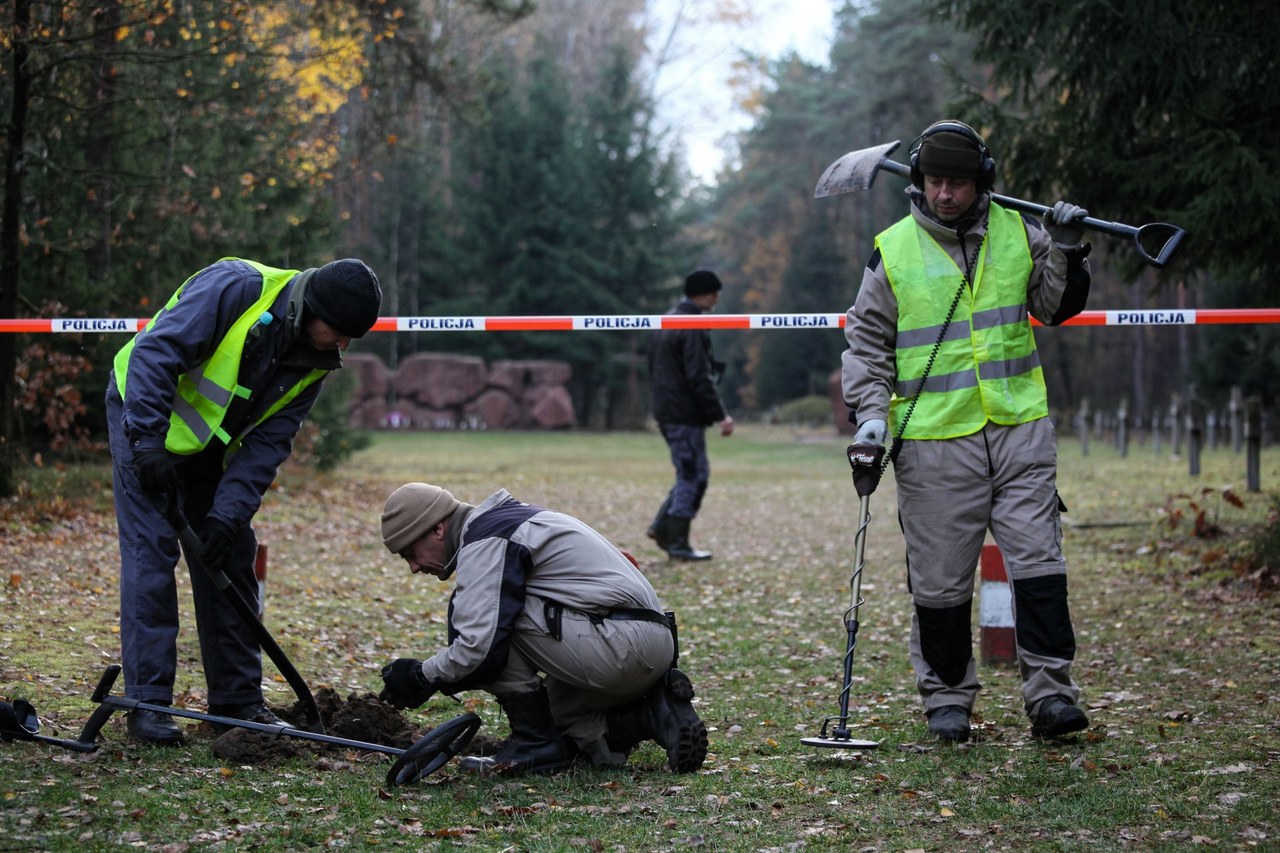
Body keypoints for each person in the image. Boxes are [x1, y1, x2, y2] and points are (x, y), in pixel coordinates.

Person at [840, 120, 1093, 742]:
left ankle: (1052, 698)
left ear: (981, 183)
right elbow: (866, 342)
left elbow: (1057, 308)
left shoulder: (1019, 231)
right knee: (941, 584)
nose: (944, 194)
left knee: (1039, 569)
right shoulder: (892, 250)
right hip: (932, 443)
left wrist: (1065, 249)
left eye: (956, 183)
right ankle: (947, 699)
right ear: (918, 183)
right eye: (934, 182)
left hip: (1019, 431)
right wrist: (871, 415)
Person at [106, 256, 382, 745]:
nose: (343, 345)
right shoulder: (235, 290)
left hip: (205, 448)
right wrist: (147, 445)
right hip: (142, 418)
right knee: (152, 554)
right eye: (338, 331)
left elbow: (266, 447)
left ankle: (236, 705)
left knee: (230, 556)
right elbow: (154, 356)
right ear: (312, 308)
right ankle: (146, 705)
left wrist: (225, 518)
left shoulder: (313, 361)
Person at [376, 482, 709, 776]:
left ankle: (532, 744)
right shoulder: (512, 519)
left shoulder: (487, 539)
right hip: (648, 642)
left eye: (411, 553)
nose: (414, 567)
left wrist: (422, 675)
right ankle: (654, 715)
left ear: (436, 529)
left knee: (494, 622)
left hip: (621, 647)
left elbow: (480, 646)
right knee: (556, 720)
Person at [646, 270, 735, 561]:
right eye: (716, 294)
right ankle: (677, 543)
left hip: (667, 409)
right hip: (682, 413)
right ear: (707, 294)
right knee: (693, 476)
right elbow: (699, 376)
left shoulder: (667, 320)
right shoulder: (692, 323)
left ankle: (663, 529)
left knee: (690, 473)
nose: (718, 299)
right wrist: (720, 414)